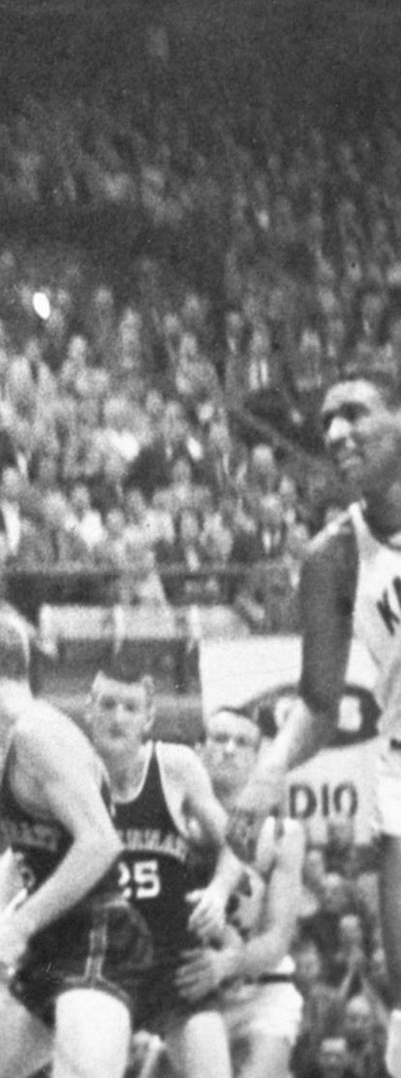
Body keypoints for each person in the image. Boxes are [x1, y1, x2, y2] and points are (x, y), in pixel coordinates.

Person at [225, 364, 401, 1073]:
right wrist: (271, 768)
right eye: (326, 422)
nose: (335, 433)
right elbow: (321, 705)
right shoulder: (332, 558)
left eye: (354, 413)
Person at [0, 610, 148, 1078]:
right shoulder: (17, 740)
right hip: (53, 949)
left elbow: (99, 844)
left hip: (96, 940)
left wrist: (18, 926)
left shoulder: (38, 734)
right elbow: (27, 853)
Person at [80, 661, 237, 1078]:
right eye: (108, 704)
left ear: (149, 718)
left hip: (174, 964)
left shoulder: (174, 766)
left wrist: (218, 893)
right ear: (88, 710)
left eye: (130, 708)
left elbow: (236, 843)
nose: (118, 718)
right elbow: (14, 861)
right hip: (99, 964)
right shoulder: (70, 771)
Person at [189, 709, 304, 1078]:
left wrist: (228, 963)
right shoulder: (171, 825)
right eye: (219, 739)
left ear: (257, 756)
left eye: (241, 742)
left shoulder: (284, 834)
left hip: (264, 988)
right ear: (199, 749)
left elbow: (278, 938)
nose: (228, 749)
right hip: (191, 989)